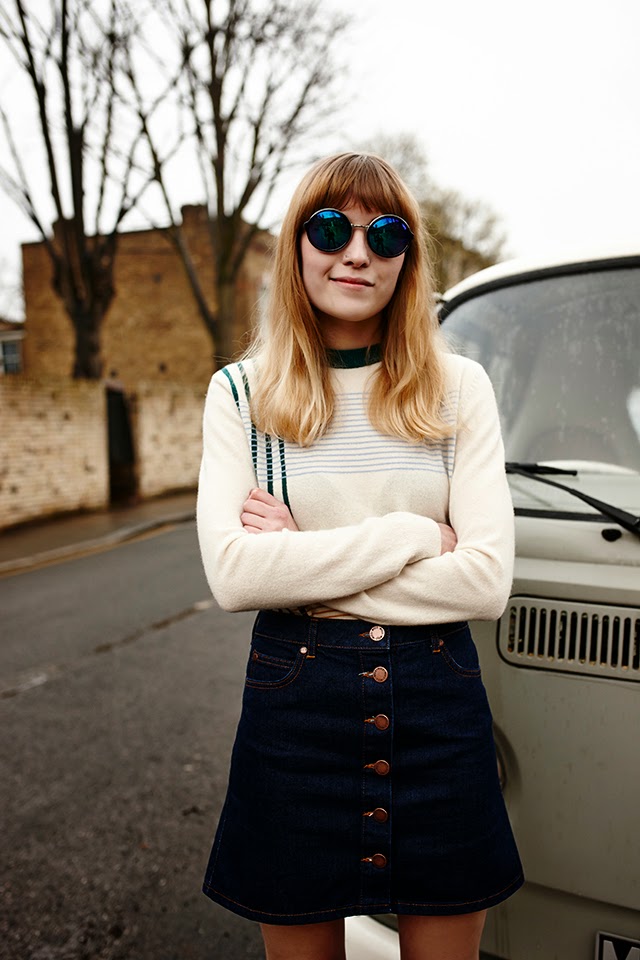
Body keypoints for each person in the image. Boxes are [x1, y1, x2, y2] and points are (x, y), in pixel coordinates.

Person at [196, 152, 523, 960]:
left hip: (439, 713)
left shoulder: (459, 388)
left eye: (384, 235)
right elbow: (235, 576)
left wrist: (300, 563)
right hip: (293, 715)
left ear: (407, 258)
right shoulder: (240, 395)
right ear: (296, 245)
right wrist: (416, 538)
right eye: (330, 229)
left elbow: (485, 582)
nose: (356, 254)